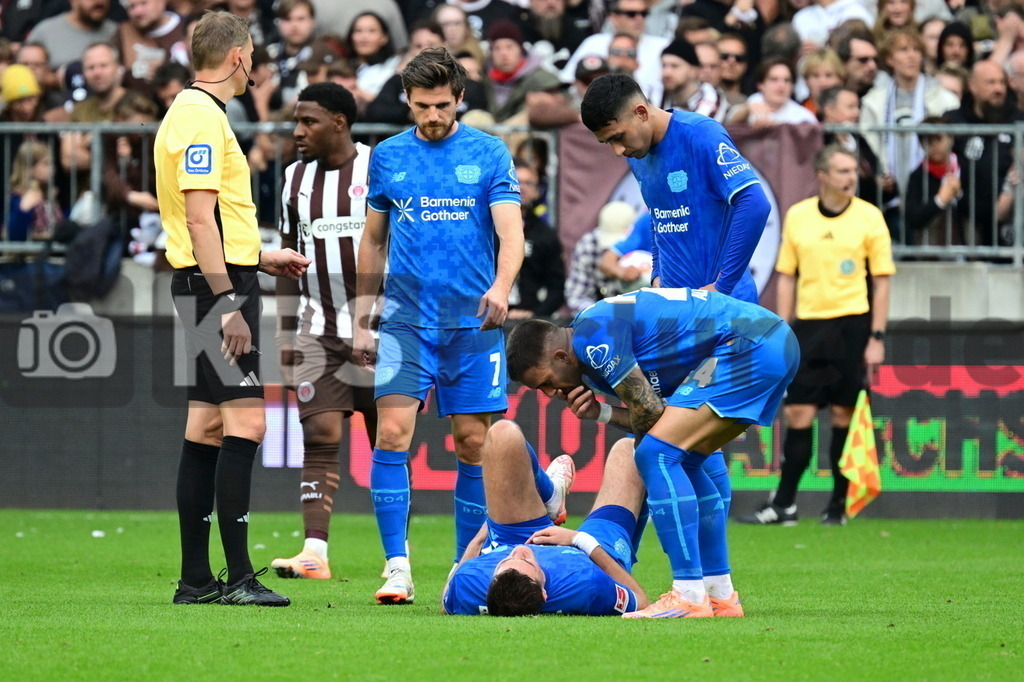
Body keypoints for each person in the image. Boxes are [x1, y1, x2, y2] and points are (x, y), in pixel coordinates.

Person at [506, 287, 800, 617]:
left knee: (654, 454)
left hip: (746, 346)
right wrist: (602, 413)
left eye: (546, 382)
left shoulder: (591, 340)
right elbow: (660, 415)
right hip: (766, 342)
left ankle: (688, 594)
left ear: (561, 357)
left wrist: (619, 419)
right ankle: (720, 594)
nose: (550, 393)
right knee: (684, 459)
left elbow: (650, 413)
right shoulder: (591, 338)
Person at [353, 47, 525, 605]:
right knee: (390, 434)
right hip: (405, 320)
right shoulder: (387, 156)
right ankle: (397, 567)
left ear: (460, 100)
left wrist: (501, 287)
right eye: (422, 105)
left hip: (471, 323)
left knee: (473, 443)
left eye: (442, 105)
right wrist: (361, 316)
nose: (432, 115)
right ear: (407, 100)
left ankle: (462, 568)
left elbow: (512, 233)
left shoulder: (489, 152)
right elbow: (373, 239)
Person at [156, 10, 310, 607]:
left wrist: (257, 258)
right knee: (248, 424)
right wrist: (227, 300)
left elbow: (207, 219)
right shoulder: (202, 117)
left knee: (207, 427)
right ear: (239, 56)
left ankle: (196, 581)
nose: (253, 67)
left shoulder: (189, 111)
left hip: (209, 280)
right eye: (252, 57)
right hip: (214, 290)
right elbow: (199, 218)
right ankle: (240, 578)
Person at [738, 145, 895, 527]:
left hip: (852, 325)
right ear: (822, 176)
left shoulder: (869, 217)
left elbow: (881, 282)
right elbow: (787, 277)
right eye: (842, 170)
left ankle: (837, 506)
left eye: (853, 170)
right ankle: (784, 505)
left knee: (844, 414)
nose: (851, 177)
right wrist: (782, 330)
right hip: (808, 327)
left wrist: (876, 336)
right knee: (798, 413)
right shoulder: (799, 216)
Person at [268, 83, 379, 580]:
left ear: (339, 122)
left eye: (308, 121)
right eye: (296, 121)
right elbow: (287, 259)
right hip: (318, 326)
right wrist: (285, 334)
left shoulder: (379, 168)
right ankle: (314, 552)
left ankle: (396, 557)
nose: (298, 131)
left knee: (388, 439)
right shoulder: (293, 179)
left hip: (382, 327)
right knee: (319, 433)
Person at [443, 420, 651, 617]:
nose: (520, 551)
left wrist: (485, 532)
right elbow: (641, 601)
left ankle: (552, 495)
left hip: (511, 537)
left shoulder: (470, 584)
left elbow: (447, 601)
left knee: (503, 433)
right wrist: (580, 540)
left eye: (507, 561)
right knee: (630, 452)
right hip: (589, 555)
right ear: (544, 593)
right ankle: (626, 544)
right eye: (528, 561)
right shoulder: (587, 584)